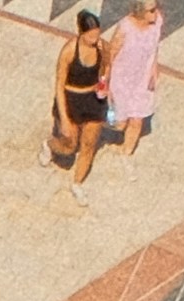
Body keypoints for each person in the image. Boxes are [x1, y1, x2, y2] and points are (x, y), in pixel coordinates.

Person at [47, 6, 109, 179]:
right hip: (72, 98)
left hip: (93, 99)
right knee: (69, 146)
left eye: (97, 34)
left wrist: (104, 82)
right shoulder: (69, 51)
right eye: (91, 35)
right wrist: (64, 118)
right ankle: (49, 145)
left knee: (89, 144)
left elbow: (107, 65)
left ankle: (77, 183)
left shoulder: (102, 46)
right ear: (81, 33)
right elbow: (59, 86)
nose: (95, 39)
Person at [102, 0, 161, 150]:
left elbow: (155, 47)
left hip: (142, 78)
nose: (156, 12)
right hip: (121, 79)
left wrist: (154, 69)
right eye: (151, 10)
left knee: (137, 120)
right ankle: (94, 122)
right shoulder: (126, 27)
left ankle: (127, 151)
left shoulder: (157, 21)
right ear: (141, 12)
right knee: (120, 123)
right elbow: (112, 53)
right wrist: (106, 79)